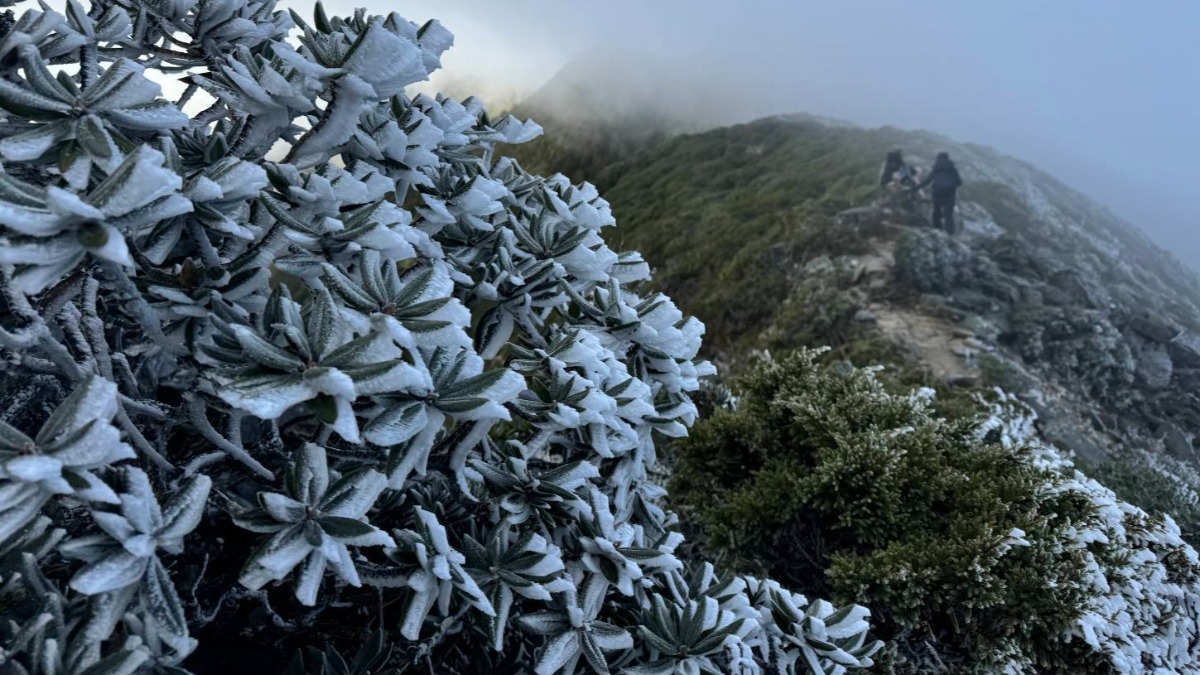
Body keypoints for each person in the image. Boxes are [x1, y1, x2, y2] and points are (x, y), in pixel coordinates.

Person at [915, 152, 963, 234]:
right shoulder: (953, 169)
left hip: (937, 193)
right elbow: (959, 182)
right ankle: (950, 234)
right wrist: (951, 186)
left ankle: (937, 231)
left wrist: (915, 188)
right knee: (948, 216)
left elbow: (927, 181)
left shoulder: (936, 169)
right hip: (949, 195)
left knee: (936, 213)